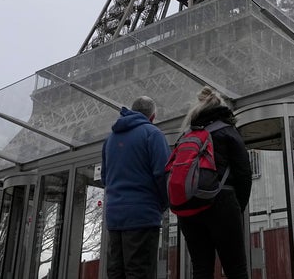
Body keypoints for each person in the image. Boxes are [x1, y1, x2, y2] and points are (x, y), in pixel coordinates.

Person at [175, 86, 253, 279]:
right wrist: (237, 207)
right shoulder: (228, 131)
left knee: (201, 269)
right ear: (222, 109)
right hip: (223, 202)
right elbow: (244, 173)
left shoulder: (185, 135)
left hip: (189, 207)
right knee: (236, 269)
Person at [102, 96, 171, 279]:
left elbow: (105, 178)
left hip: (115, 217)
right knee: (140, 273)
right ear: (153, 116)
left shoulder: (110, 140)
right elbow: (163, 174)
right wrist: (163, 204)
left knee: (116, 273)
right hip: (143, 215)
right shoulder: (153, 134)